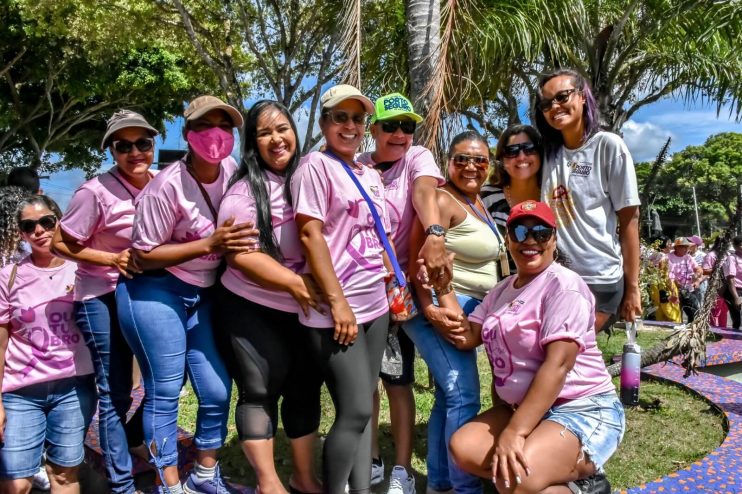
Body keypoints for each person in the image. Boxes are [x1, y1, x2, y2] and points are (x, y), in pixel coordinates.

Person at [115, 96, 257, 494]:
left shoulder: (232, 172)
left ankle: (205, 475)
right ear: (188, 133)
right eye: (205, 125)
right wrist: (208, 243)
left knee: (215, 389)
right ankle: (170, 484)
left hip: (204, 294)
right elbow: (143, 255)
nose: (215, 134)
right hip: (155, 290)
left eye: (223, 126)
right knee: (165, 388)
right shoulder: (167, 186)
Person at [448, 200, 625, 494]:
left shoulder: (564, 286)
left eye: (541, 232)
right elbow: (468, 337)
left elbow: (558, 365)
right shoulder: (501, 290)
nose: (530, 240)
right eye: (519, 232)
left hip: (582, 407)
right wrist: (443, 289)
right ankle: (564, 480)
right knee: (463, 447)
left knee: (515, 479)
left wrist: (515, 432)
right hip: (525, 408)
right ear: (508, 239)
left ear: (554, 239)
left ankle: (586, 489)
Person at [212, 100, 323, 494]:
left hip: (303, 311)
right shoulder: (243, 192)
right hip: (250, 307)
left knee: (304, 389)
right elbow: (241, 255)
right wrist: (296, 284)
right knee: (259, 391)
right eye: (264, 133)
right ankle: (269, 482)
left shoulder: (311, 176)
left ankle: (305, 476)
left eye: (283, 129)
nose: (276, 139)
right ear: (252, 143)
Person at [290, 84, 390, 494]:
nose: (350, 126)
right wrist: (338, 304)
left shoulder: (369, 172)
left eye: (358, 118)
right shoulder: (315, 166)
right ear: (324, 122)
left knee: (364, 405)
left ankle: (361, 490)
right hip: (338, 309)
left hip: (375, 303)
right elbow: (311, 234)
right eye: (340, 117)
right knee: (353, 409)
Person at [51, 110, 156, 493]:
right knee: (115, 390)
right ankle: (121, 480)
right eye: (123, 145)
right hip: (102, 296)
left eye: (142, 143)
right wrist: (111, 258)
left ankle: (131, 437)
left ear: (154, 144)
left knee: (167, 381)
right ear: (111, 150)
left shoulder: (163, 184)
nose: (134, 152)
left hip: (149, 295)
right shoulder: (93, 192)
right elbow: (60, 242)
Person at [405, 130, 505, 494]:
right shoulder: (443, 201)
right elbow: (418, 259)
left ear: (489, 165)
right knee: (464, 395)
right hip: (443, 306)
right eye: (461, 158)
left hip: (465, 304)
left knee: (450, 396)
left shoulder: (478, 203)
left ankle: (441, 483)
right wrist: (430, 307)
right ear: (448, 162)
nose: (471, 166)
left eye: (479, 159)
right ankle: (465, 489)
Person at [356, 92, 445, 494]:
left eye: (406, 126)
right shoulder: (355, 167)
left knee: (397, 379)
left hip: (396, 290)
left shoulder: (417, 158)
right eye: (389, 125)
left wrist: (435, 232)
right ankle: (372, 458)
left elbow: (425, 193)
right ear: (372, 130)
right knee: (364, 382)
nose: (398, 134)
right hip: (359, 287)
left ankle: (403, 469)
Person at [0, 195, 96, 494]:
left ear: (60, 221)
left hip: (73, 388)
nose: (39, 230)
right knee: (15, 482)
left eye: (46, 221)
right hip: (20, 393)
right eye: (29, 226)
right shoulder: (9, 276)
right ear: (21, 234)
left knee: (64, 474)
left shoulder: (84, 268)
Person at [535, 68, 641, 332]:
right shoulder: (546, 154)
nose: (555, 107)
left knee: (567, 355)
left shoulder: (608, 146)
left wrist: (633, 288)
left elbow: (629, 220)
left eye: (562, 97)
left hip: (599, 280)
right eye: (546, 103)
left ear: (582, 97)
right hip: (555, 277)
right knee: (560, 359)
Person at [481, 124, 543, 228]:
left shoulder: (553, 193)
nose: (521, 157)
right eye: (511, 151)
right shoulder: (487, 196)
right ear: (501, 159)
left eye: (529, 148)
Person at [667, 237, 703, 323]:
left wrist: (697, 276)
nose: (686, 249)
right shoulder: (669, 257)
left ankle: (690, 329)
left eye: (687, 247)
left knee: (694, 312)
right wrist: (675, 284)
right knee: (676, 313)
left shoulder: (688, 257)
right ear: (676, 247)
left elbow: (699, 269)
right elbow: (668, 275)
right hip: (674, 289)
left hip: (688, 289)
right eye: (684, 247)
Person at [703, 236, 729, 327]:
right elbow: (705, 270)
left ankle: (723, 330)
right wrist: (718, 269)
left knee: (724, 310)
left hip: (727, 286)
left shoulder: (727, 254)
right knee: (715, 310)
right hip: (715, 285)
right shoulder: (711, 255)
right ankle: (713, 330)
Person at [721, 235, 742, 330]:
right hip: (735, 291)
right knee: (737, 319)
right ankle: (734, 341)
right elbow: (730, 279)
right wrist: (736, 298)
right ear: (735, 246)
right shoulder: (732, 258)